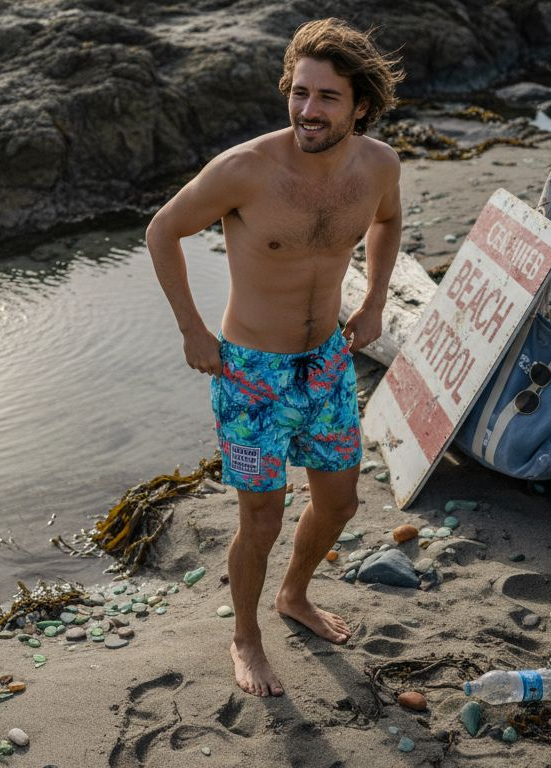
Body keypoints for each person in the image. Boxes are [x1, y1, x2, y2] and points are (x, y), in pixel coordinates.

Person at [146, 18, 404, 697]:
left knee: (341, 503)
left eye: (326, 98)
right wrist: (192, 331)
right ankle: (246, 637)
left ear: (360, 107)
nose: (307, 111)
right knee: (260, 517)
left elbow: (388, 220)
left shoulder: (378, 165)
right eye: (299, 92)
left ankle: (294, 595)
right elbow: (162, 230)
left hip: (326, 366)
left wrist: (375, 299)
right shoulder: (245, 171)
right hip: (252, 375)